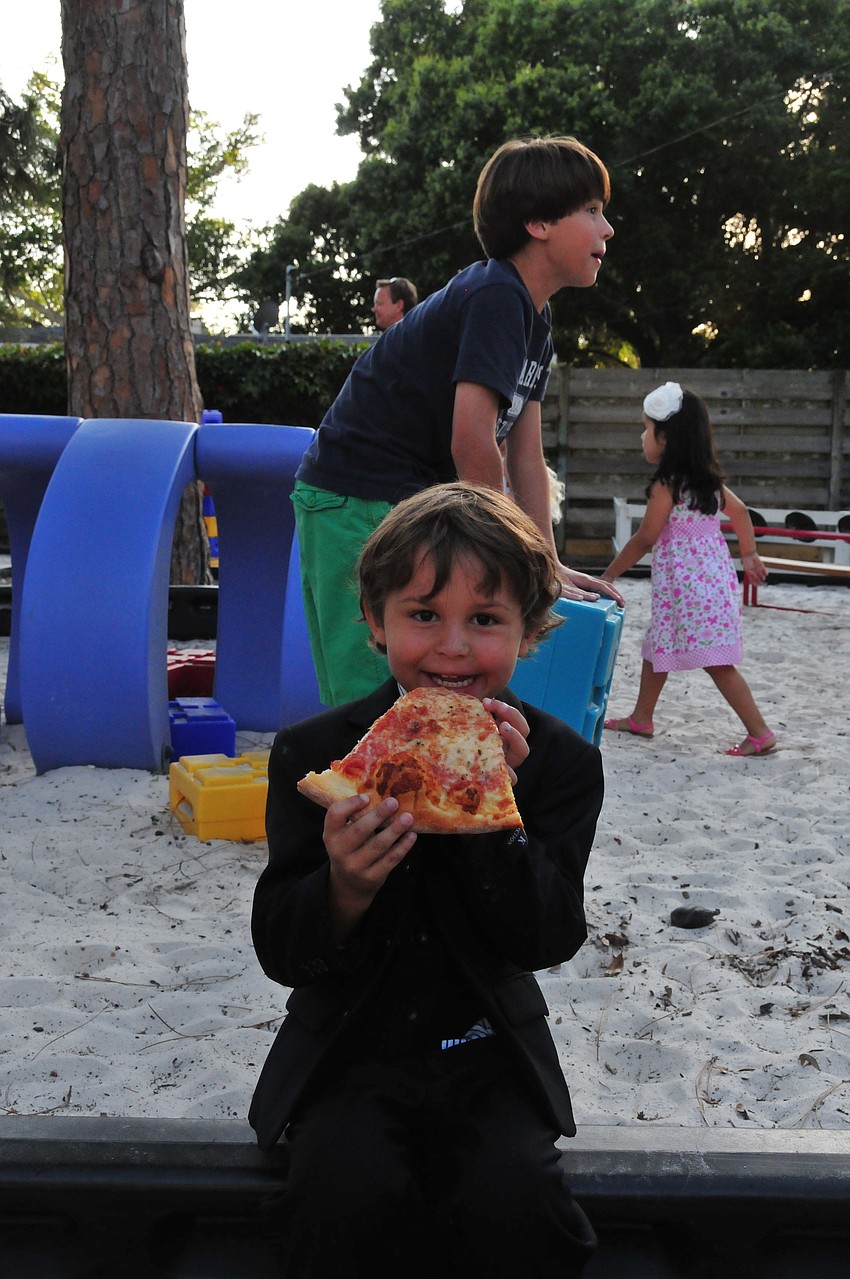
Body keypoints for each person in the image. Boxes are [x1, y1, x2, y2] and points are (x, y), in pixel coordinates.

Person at [250, 482, 603, 1278]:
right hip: (350, 1050)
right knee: (337, 1192)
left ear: (529, 632)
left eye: (485, 620)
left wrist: (492, 816)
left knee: (519, 1202)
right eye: (422, 615)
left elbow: (549, 935)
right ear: (375, 623)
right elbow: (280, 945)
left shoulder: (562, 766)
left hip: (487, 1052)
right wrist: (342, 888)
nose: (451, 648)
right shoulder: (316, 753)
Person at [293, 134, 623, 707]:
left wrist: (545, 562)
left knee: (421, 676)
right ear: (538, 223)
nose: (607, 229)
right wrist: (503, 552)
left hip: (405, 497)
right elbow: (472, 439)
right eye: (592, 211)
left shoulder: (535, 323)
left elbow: (525, 454)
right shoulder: (494, 294)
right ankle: (362, 794)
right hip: (353, 493)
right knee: (368, 684)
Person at [601, 382, 776, 757]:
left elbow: (645, 538)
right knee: (657, 647)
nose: (643, 436)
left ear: (666, 439)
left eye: (647, 428)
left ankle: (759, 733)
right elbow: (741, 513)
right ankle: (642, 718)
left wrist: (609, 574)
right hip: (703, 589)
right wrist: (749, 555)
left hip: (690, 594)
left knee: (717, 663)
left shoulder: (667, 485)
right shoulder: (706, 484)